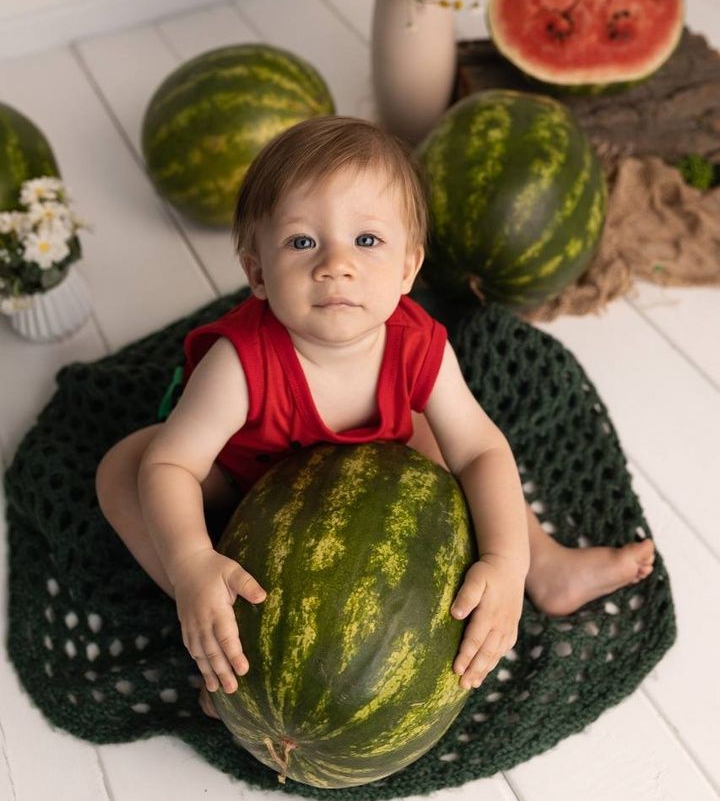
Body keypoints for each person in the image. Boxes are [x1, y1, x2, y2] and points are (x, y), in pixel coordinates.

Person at [96, 115, 655, 718]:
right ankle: (221, 631)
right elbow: (175, 463)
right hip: (247, 481)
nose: (336, 265)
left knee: (446, 445)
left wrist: (504, 559)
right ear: (257, 271)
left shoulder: (419, 345)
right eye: (302, 242)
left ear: (409, 270)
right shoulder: (238, 364)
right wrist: (190, 561)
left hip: (374, 474)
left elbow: (482, 450)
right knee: (130, 467)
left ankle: (542, 564)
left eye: (367, 241)